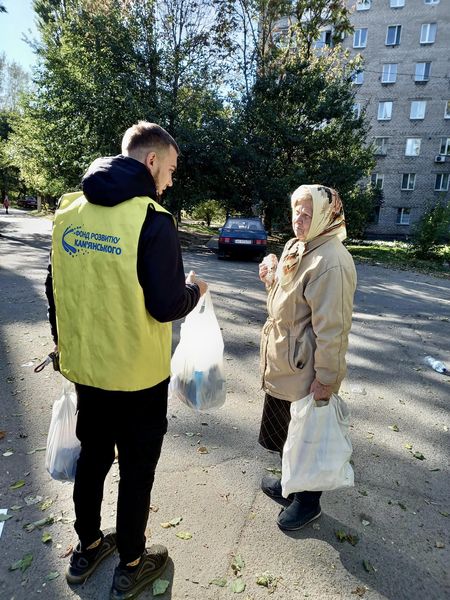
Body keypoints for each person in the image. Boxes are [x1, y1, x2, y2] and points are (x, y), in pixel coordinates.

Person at [45, 121, 207, 599]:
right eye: (171, 169)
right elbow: (165, 305)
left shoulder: (69, 212)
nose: (171, 180)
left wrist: (62, 345)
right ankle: (133, 560)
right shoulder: (152, 220)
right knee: (137, 468)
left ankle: (88, 544)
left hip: (88, 371)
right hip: (138, 377)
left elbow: (55, 290)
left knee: (93, 458)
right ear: (151, 161)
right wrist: (194, 291)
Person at [258, 184, 356, 532]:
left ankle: (308, 502)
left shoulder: (331, 261)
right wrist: (271, 279)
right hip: (286, 362)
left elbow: (333, 329)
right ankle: (291, 484)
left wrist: (327, 379)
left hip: (305, 369)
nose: (299, 220)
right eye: (296, 212)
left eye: (307, 213)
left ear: (326, 216)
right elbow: (289, 301)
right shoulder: (298, 247)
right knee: (287, 433)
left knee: (307, 437)